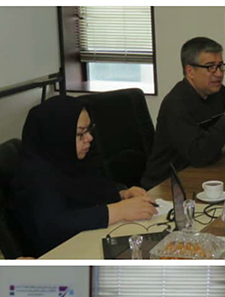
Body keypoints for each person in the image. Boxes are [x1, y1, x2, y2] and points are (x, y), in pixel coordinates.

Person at [10, 96, 157, 256]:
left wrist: (121, 194)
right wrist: (117, 211)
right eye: (80, 133)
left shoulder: (67, 159)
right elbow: (54, 225)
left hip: (86, 242)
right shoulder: (35, 175)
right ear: (57, 135)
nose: (89, 138)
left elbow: (89, 190)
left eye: (89, 130)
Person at [141, 37, 225, 189]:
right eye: (210, 67)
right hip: (167, 184)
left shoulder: (218, 92)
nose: (219, 74)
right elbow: (198, 156)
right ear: (190, 71)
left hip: (201, 174)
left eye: (220, 66)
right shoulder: (176, 105)